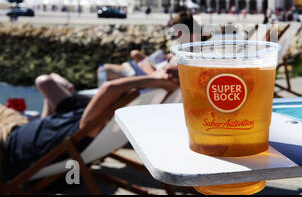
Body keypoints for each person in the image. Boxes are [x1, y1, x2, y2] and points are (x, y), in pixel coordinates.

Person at [1, 73, 178, 182]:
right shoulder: (95, 129)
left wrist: (157, 80)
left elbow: (109, 88)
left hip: (10, 145)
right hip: (21, 127)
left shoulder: (87, 129)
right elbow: (111, 91)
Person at [101, 11, 200, 81]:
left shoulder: (189, 50)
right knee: (133, 55)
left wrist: (152, 69)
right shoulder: (183, 45)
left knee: (104, 70)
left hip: (150, 74)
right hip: (150, 69)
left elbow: (170, 71)